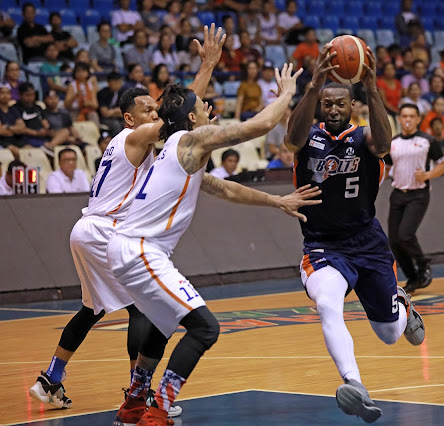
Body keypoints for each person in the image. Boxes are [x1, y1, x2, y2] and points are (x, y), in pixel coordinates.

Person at [28, 25, 226, 417]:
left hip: (89, 231)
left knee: (93, 310)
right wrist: (206, 66)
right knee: (142, 308)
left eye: (155, 108)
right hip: (105, 230)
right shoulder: (131, 138)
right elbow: (180, 112)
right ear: (128, 118)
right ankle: (142, 394)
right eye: (147, 110)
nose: (154, 113)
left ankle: (50, 378)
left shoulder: (135, 145)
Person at [109, 64, 312, 425]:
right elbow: (259, 126)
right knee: (205, 329)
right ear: (192, 117)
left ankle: (135, 403)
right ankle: (157, 411)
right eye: (202, 106)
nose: (208, 109)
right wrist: (286, 94)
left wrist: (277, 201)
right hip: (139, 250)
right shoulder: (191, 141)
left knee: (161, 323)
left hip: (128, 249)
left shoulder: (176, 150)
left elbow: (225, 188)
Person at [284, 44, 426, 423]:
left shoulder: (364, 138)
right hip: (323, 246)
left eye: (340, 104)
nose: (332, 110)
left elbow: (384, 144)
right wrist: (313, 85)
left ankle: (402, 304)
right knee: (328, 304)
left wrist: (373, 89)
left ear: (351, 107)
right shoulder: (308, 137)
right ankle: (354, 384)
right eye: (327, 104)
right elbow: (291, 140)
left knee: (390, 334)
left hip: (368, 244)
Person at [388, 103, 444, 291]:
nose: (407, 120)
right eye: (404, 116)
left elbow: (442, 165)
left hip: (418, 193)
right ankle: (413, 277)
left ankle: (423, 263)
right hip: (398, 193)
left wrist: (427, 175)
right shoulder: (393, 143)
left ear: (418, 119)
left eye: (411, 116)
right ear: (399, 119)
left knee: (405, 234)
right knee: (394, 240)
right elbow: (386, 167)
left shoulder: (427, 140)